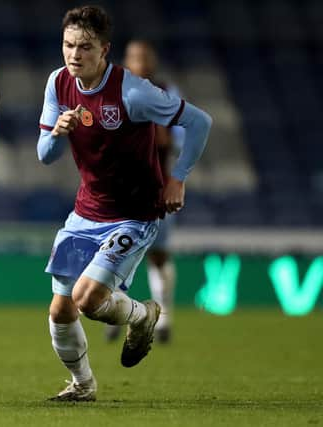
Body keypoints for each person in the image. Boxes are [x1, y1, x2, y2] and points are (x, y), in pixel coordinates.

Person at [38, 5, 211, 401]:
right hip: (85, 213)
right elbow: (45, 155)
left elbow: (200, 122)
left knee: (88, 300)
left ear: (104, 50)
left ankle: (144, 314)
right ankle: (83, 385)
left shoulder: (133, 92)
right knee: (59, 312)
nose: (74, 55)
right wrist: (56, 134)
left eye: (84, 47)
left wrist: (177, 179)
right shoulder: (58, 83)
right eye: (68, 45)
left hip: (133, 216)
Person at [104, 39, 185, 344]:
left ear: (152, 62)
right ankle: (113, 312)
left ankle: (164, 318)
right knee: (117, 253)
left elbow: (177, 138)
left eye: (144, 57)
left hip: (157, 188)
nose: (140, 62)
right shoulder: (115, 92)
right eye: (134, 57)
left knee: (159, 255)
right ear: (126, 60)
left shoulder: (167, 93)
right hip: (119, 190)